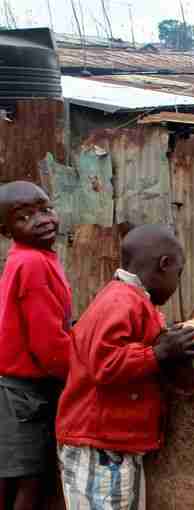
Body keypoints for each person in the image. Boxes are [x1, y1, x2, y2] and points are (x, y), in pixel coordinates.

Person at [56, 225, 194, 510]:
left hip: (114, 443)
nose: (178, 283)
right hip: (98, 445)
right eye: (179, 274)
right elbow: (105, 364)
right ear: (165, 264)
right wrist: (159, 353)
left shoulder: (134, 302)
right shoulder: (120, 302)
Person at [0, 181, 72, 510]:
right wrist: (80, 371)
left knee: (17, 477)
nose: (42, 220)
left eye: (45, 209)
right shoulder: (31, 264)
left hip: (18, 386)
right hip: (23, 391)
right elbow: (47, 344)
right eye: (25, 216)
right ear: (5, 229)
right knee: (29, 480)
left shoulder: (35, 257)